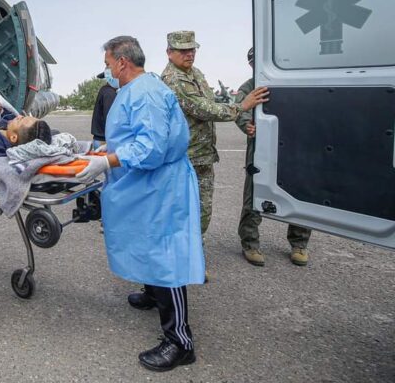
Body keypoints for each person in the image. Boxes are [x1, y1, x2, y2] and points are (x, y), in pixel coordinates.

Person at [74, 36, 205, 372]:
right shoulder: (136, 89)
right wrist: (105, 151)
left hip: (160, 185)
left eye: (107, 64)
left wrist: (108, 161)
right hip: (147, 184)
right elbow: (134, 137)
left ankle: (180, 341)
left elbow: (151, 148)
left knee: (164, 254)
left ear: (121, 62)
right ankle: (151, 292)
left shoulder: (144, 93)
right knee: (147, 243)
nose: (106, 71)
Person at [160, 31, 269, 246]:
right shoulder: (173, 80)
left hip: (203, 155)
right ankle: (180, 257)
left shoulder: (195, 73)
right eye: (183, 50)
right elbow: (205, 109)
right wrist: (242, 106)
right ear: (169, 53)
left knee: (202, 211)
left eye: (192, 49)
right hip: (185, 157)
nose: (189, 54)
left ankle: (192, 253)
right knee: (184, 211)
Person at [236, 48, 312, 266]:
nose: (256, 66)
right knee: (254, 194)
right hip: (262, 148)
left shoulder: (294, 81)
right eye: (253, 63)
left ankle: (299, 243)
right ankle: (250, 243)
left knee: (300, 193)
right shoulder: (250, 86)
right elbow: (239, 109)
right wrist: (246, 125)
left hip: (295, 147)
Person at [91, 72, 118, 148]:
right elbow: (110, 119)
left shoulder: (105, 90)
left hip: (99, 139)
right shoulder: (109, 93)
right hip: (104, 141)